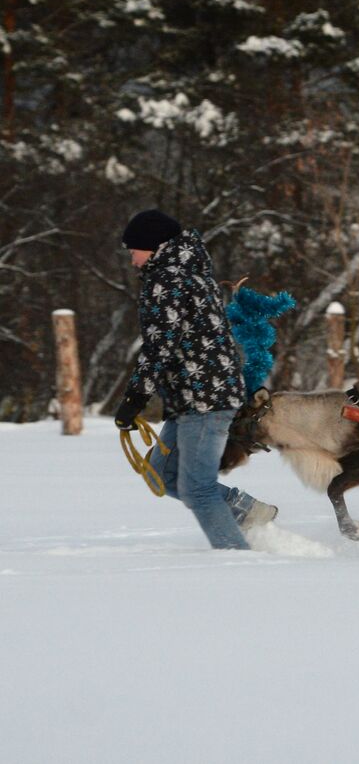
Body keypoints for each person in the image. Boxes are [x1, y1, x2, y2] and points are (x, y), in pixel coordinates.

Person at [113, 209, 277, 550]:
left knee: (197, 488)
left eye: (134, 251)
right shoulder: (189, 273)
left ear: (154, 247)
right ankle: (246, 510)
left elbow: (160, 346)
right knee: (160, 473)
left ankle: (238, 562)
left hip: (205, 398)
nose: (132, 260)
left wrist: (134, 400)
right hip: (192, 397)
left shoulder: (167, 280)